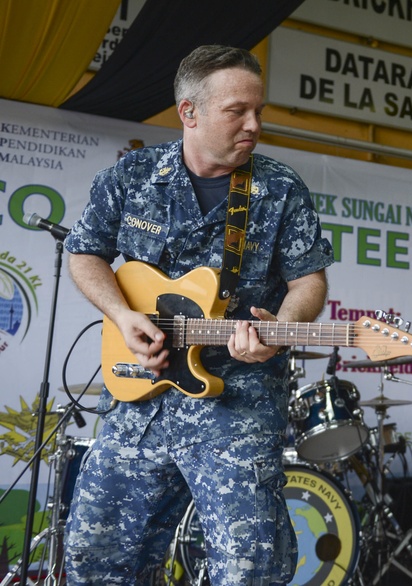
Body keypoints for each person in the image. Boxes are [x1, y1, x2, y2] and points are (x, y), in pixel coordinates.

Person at [62, 45, 334, 585]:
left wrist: (277, 333)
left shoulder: (280, 189)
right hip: (138, 398)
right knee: (97, 558)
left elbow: (309, 281)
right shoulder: (132, 175)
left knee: (250, 568)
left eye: (259, 110)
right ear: (189, 112)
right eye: (237, 111)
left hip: (238, 403)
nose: (254, 124)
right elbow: (84, 252)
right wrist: (121, 315)